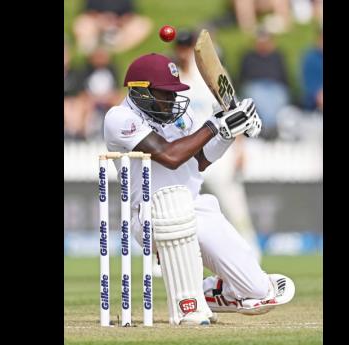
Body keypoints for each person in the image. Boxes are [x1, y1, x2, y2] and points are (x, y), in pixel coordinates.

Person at [103, 53, 295, 325]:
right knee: (175, 215)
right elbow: (170, 156)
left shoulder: (180, 115)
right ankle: (187, 304)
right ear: (141, 91)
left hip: (196, 206)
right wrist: (215, 123)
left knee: (257, 292)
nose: (172, 100)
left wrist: (229, 132)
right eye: (165, 94)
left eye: (174, 93)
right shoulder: (120, 118)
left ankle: (213, 292)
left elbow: (199, 160)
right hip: (153, 214)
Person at [171, 30, 262, 262]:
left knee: (233, 202)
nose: (182, 51)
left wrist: (240, 149)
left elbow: (234, 112)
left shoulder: (213, 77)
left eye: (186, 46)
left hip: (219, 146)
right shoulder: (174, 79)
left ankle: (251, 250)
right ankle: (165, 257)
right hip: (189, 149)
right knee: (179, 205)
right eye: (180, 47)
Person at [239, 28, 290, 140]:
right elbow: (242, 79)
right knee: (257, 95)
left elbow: (285, 79)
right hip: (255, 87)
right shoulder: (248, 56)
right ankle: (268, 127)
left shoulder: (278, 56)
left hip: (275, 88)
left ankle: (269, 127)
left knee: (278, 96)